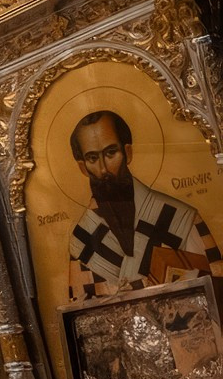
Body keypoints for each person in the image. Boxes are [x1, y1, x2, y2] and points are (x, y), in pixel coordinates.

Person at [63, 109, 223, 298]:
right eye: (92, 158)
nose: (103, 169)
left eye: (111, 153)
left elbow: (217, 289)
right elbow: (81, 308)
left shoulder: (182, 218)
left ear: (127, 152)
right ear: (83, 167)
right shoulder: (83, 240)